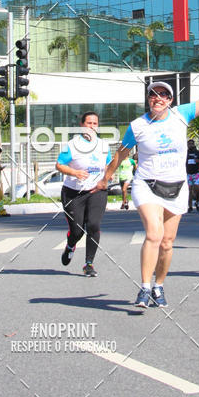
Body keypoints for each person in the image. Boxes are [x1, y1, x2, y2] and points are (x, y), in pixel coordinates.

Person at [97, 55, 199, 308]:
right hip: (147, 184)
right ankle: (144, 288)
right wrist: (105, 178)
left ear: (170, 101)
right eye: (153, 95)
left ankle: (159, 286)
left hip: (177, 187)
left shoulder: (182, 114)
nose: (158, 98)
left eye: (163, 95)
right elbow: (121, 154)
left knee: (167, 243)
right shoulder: (137, 126)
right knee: (154, 235)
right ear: (149, 100)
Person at [56, 111, 112, 276]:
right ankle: (70, 245)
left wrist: (108, 176)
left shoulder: (103, 145)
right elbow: (59, 165)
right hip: (73, 193)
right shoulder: (72, 145)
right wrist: (75, 173)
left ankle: (89, 264)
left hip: (97, 191)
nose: (92, 127)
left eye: (95, 123)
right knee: (77, 230)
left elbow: (108, 164)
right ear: (81, 125)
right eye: (89, 123)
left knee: (94, 225)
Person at [186, 138, 199, 212]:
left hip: (196, 173)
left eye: (191, 144)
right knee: (189, 190)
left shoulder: (197, 152)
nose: (190, 145)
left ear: (194, 144)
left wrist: (198, 161)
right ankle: (190, 206)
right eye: (189, 144)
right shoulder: (185, 152)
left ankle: (197, 202)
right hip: (188, 174)